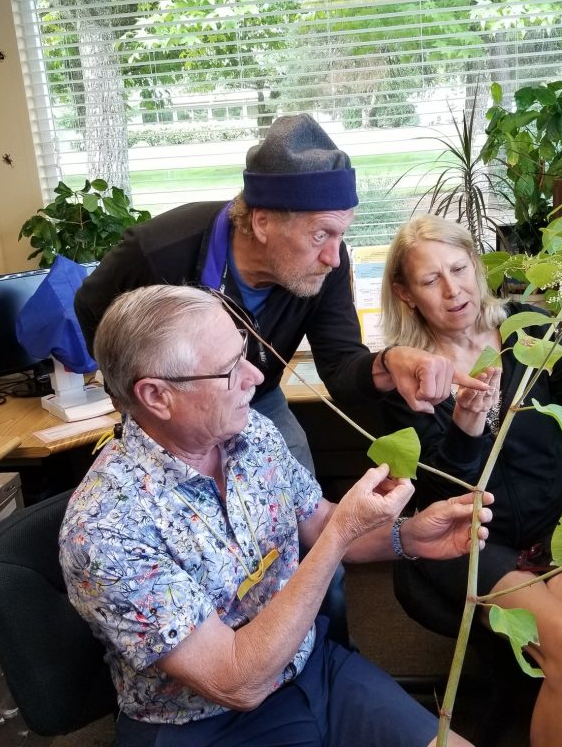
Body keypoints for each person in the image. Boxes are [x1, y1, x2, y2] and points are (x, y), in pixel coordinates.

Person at [60, 284, 493, 747]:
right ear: (156, 396)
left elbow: (317, 522)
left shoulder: (251, 434)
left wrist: (406, 536)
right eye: (229, 370)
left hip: (311, 667)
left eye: (244, 352)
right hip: (205, 722)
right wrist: (342, 531)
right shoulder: (104, 527)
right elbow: (234, 682)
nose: (255, 376)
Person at [75, 113, 482, 473]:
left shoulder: (326, 265)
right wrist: (133, 398)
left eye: (341, 234)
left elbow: (341, 370)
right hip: (177, 413)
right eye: (321, 233)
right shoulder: (158, 253)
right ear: (264, 221)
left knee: (304, 515)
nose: (334, 256)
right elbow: (91, 306)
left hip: (261, 400)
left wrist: (391, 362)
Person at [379, 215, 562, 747]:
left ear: (478, 268)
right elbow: (439, 493)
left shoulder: (527, 327)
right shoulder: (408, 375)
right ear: (406, 295)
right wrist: (466, 431)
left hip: (552, 525)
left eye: (460, 269)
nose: (454, 290)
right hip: (470, 539)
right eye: (431, 280)